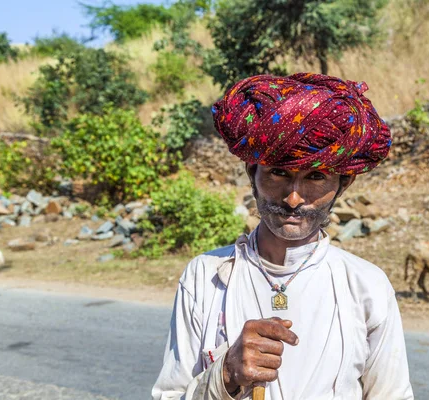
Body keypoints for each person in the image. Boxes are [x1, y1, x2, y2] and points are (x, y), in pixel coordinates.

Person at [151, 73, 414, 400]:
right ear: (252, 172)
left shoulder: (367, 287)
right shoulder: (204, 278)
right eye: (278, 173)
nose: (293, 198)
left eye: (315, 176)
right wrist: (227, 374)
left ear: (343, 184)